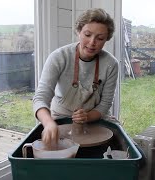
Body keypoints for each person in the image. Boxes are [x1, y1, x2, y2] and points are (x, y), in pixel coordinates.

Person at [33, 8, 119, 145]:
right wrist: (49, 124)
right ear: (78, 32)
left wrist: (88, 117)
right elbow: (40, 98)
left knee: (127, 149)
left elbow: (105, 104)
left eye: (100, 38)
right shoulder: (59, 57)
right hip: (60, 117)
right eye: (87, 35)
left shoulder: (111, 64)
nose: (92, 42)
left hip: (94, 117)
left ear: (106, 40)